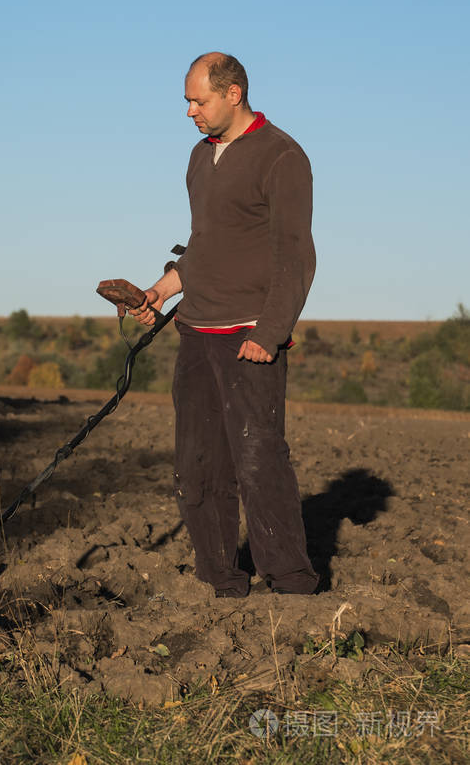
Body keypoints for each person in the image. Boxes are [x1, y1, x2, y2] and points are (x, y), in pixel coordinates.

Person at [129, 52, 318, 597]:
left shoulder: (282, 157)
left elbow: (297, 255)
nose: (190, 111)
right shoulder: (199, 157)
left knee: (259, 461)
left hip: (249, 336)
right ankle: (222, 582)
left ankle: (292, 585)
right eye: (188, 100)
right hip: (196, 332)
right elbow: (206, 247)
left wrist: (270, 332)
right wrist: (159, 292)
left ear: (233, 93)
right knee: (197, 466)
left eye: (198, 100)